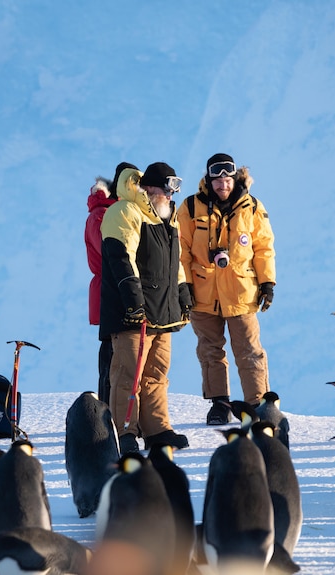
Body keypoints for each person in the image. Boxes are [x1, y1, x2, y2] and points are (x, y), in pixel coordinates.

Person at [175, 153, 276, 425]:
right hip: (203, 293)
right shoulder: (190, 208)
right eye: (217, 180)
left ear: (235, 178)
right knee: (210, 350)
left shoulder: (252, 207)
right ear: (209, 180)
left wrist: (267, 282)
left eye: (227, 179)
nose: (223, 185)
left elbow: (263, 247)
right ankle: (219, 403)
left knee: (249, 350)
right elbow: (180, 250)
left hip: (241, 293)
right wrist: (183, 286)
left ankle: (257, 404)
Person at [100, 162, 193, 453]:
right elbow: (121, 259)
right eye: (167, 187)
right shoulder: (124, 211)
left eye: (174, 188)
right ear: (150, 188)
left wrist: (183, 295)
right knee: (128, 374)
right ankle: (125, 432)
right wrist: (133, 300)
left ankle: (157, 429)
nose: (170, 194)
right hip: (132, 313)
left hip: (161, 314)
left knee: (156, 374)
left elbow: (173, 265)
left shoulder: (168, 218)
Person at [86, 162, 137, 403]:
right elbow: (109, 254)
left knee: (124, 356)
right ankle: (106, 411)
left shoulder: (125, 212)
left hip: (123, 290)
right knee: (111, 356)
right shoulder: (102, 214)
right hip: (110, 292)